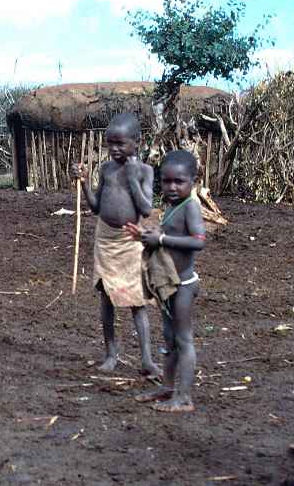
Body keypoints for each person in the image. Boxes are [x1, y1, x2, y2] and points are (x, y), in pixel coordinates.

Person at [71, 112, 160, 377]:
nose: (114, 149)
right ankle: (111, 354)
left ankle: (147, 360)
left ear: (137, 142)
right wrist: (85, 183)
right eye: (110, 144)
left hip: (130, 241)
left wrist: (132, 177)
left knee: (137, 301)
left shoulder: (145, 171)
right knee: (107, 298)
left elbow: (145, 209)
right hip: (106, 239)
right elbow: (97, 207)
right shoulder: (106, 169)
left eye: (121, 144)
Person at [126, 150, 206, 413]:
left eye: (179, 182)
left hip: (183, 286)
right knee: (170, 339)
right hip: (169, 286)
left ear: (193, 181)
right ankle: (168, 388)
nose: (171, 187)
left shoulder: (191, 207)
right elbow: (167, 234)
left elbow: (198, 241)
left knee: (183, 341)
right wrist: (146, 235)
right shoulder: (173, 207)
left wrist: (160, 240)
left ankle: (184, 398)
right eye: (167, 181)